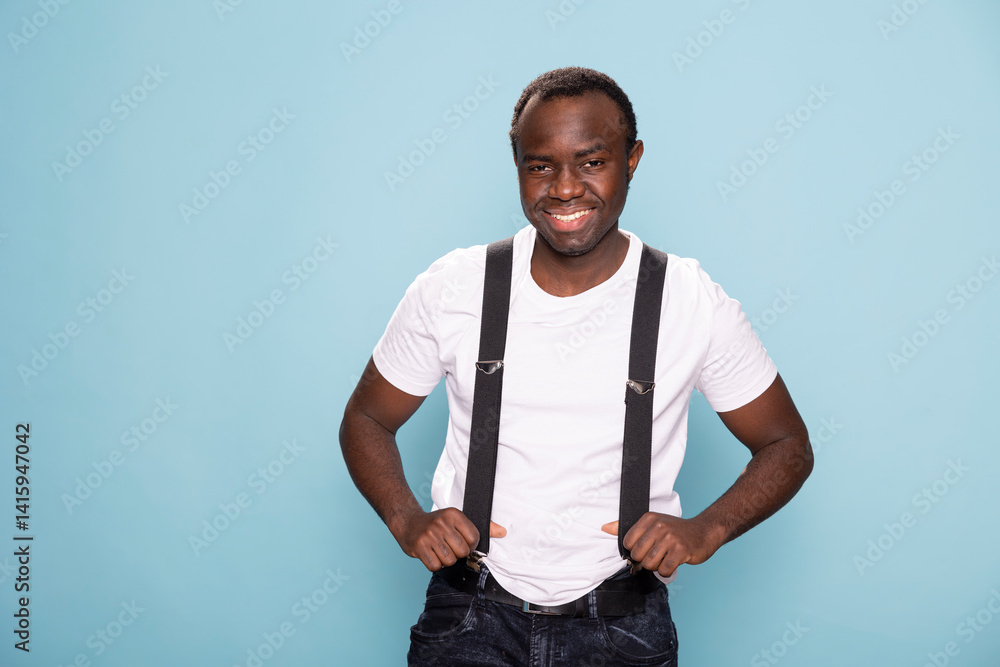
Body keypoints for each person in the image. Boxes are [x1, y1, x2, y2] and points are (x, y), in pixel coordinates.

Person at [340, 66, 813, 666]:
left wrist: (707, 529)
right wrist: (407, 519)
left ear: (632, 160)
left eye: (591, 162)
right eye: (541, 166)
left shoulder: (690, 300)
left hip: (623, 625)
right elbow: (366, 419)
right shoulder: (454, 286)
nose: (565, 189)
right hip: (469, 616)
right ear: (517, 166)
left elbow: (786, 444)